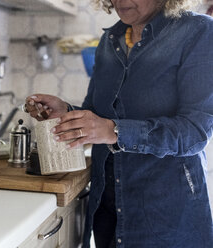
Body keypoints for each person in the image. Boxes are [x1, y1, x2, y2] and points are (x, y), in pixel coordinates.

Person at [23, 0, 213, 247]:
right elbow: (97, 114)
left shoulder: (198, 32)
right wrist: (66, 112)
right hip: (108, 209)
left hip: (167, 212)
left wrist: (114, 130)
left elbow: (195, 132)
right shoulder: (109, 41)